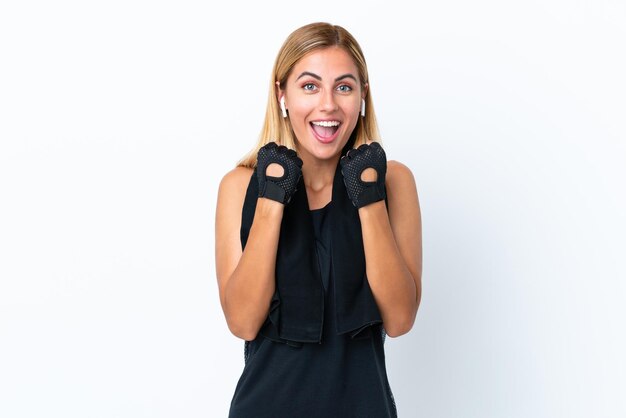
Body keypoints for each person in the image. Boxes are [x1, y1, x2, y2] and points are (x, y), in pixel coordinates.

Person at [215, 22, 422, 417]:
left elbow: (399, 319)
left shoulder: (394, 181)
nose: (328, 104)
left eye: (344, 87)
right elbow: (242, 322)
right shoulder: (239, 186)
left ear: (362, 96)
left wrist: (368, 198)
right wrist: (272, 200)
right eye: (310, 86)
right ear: (283, 95)